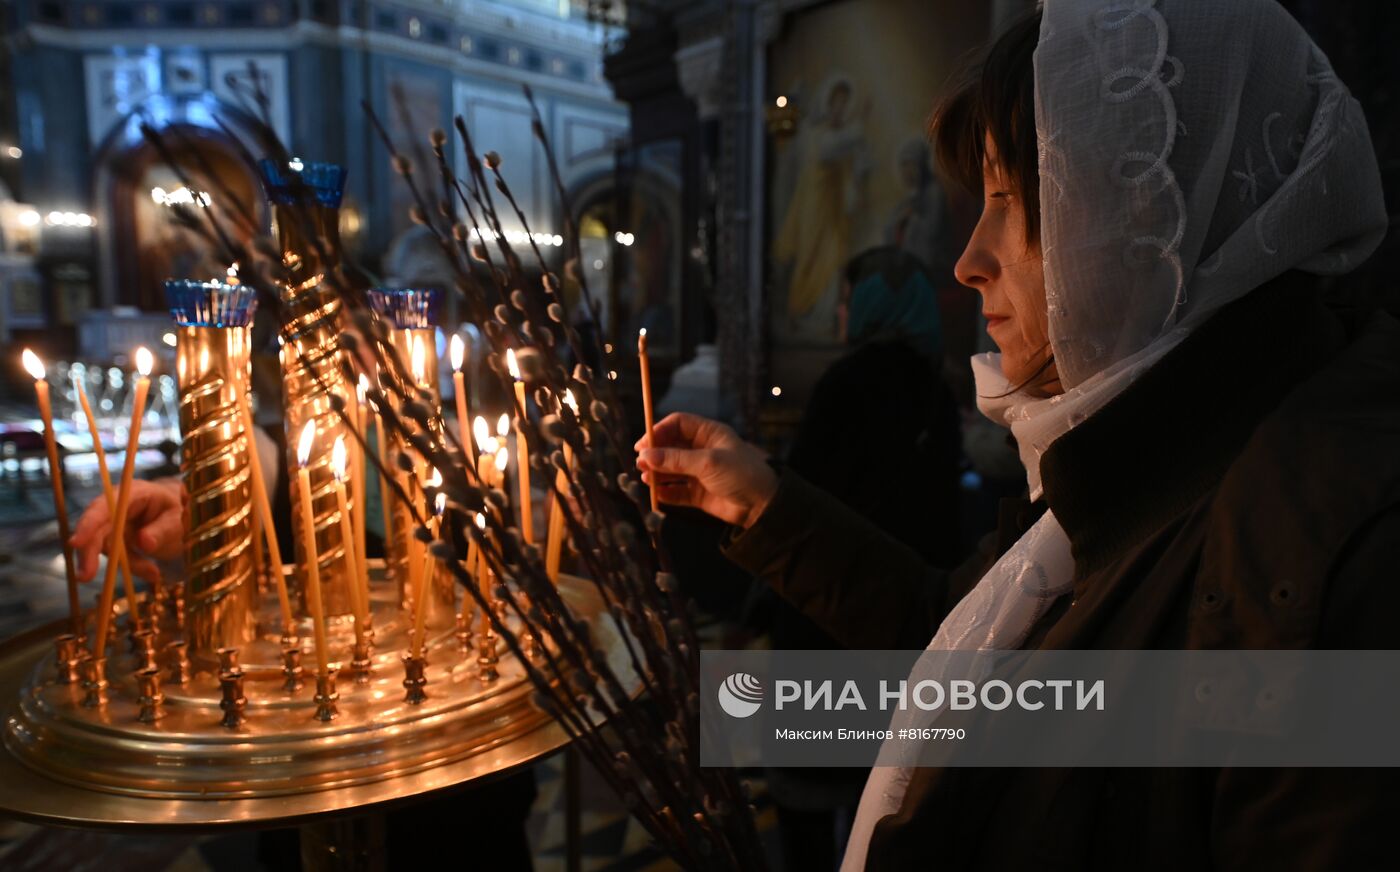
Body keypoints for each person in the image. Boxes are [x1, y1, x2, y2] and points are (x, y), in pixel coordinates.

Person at [637, 2, 1400, 869]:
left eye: (1012, 197)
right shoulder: (1143, 448)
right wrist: (761, 500)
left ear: (1154, 212)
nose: (968, 259)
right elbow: (962, 638)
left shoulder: (1335, 564)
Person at [766, 246, 963, 870]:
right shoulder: (937, 390)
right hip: (903, 623)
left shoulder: (846, 383)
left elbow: (801, 497)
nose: (843, 311)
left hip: (827, 610)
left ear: (875, 304)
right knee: (876, 805)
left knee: (804, 812)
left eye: (850, 299)